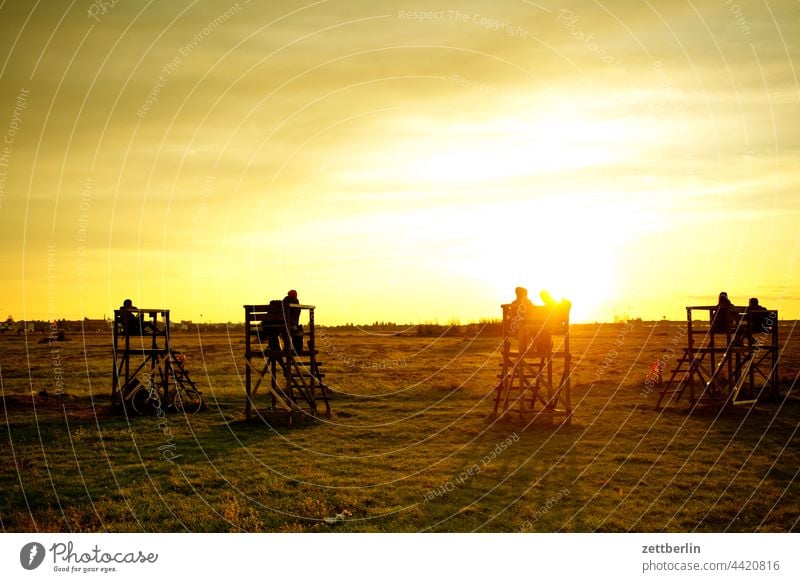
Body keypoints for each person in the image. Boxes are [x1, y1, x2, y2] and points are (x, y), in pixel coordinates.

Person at [509, 287, 535, 353]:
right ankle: (529, 349)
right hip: (529, 326)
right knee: (529, 329)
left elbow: (512, 316)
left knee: (523, 329)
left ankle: (524, 350)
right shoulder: (529, 302)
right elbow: (535, 311)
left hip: (519, 327)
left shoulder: (514, 303)